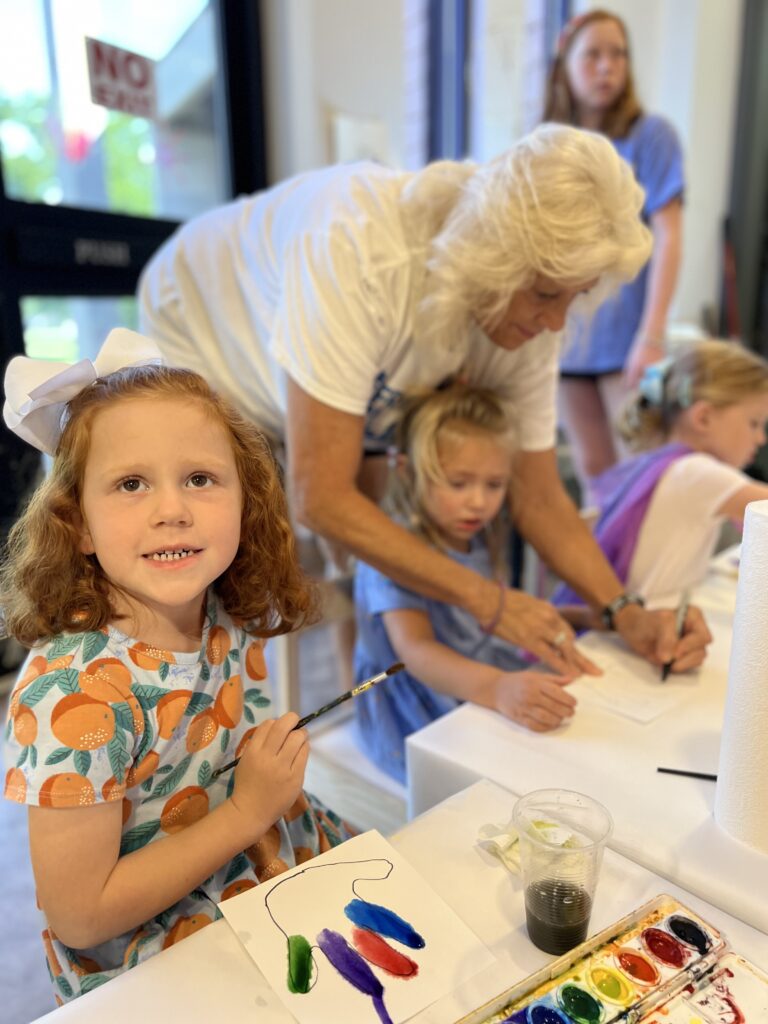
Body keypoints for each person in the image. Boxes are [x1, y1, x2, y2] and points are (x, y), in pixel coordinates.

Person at [138, 122, 710, 680]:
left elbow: (538, 495)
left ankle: (362, 702)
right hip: (201, 326)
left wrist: (625, 612)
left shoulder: (527, 311)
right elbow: (320, 497)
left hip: (329, 347)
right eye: (544, 294)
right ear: (494, 257)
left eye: (575, 296)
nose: (557, 321)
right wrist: (490, 601)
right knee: (238, 563)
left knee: (364, 558)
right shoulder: (357, 247)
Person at [1, 329, 351, 1003]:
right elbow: (78, 914)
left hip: (252, 855)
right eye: (131, 484)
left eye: (200, 478)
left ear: (245, 498)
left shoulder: (221, 602)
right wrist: (249, 811)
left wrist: (263, 808)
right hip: (153, 954)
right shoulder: (76, 699)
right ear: (77, 523)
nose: (173, 510)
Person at [354, 384, 577, 782]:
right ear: (407, 471)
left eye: (494, 485)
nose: (478, 501)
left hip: (474, 672)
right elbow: (415, 652)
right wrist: (498, 688)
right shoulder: (392, 551)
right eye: (458, 483)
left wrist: (575, 616)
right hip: (415, 700)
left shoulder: (482, 534)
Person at [544, 9, 685, 495]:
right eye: (593, 55)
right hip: (566, 337)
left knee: (639, 473)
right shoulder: (550, 142)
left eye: (617, 54)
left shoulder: (651, 137)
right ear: (565, 65)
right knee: (592, 474)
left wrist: (652, 335)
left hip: (628, 341)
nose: (606, 67)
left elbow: (669, 234)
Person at [554, 339, 768, 609]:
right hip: (646, 625)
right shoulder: (698, 472)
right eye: (754, 423)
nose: (760, 439)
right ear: (703, 417)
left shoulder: (664, 464)